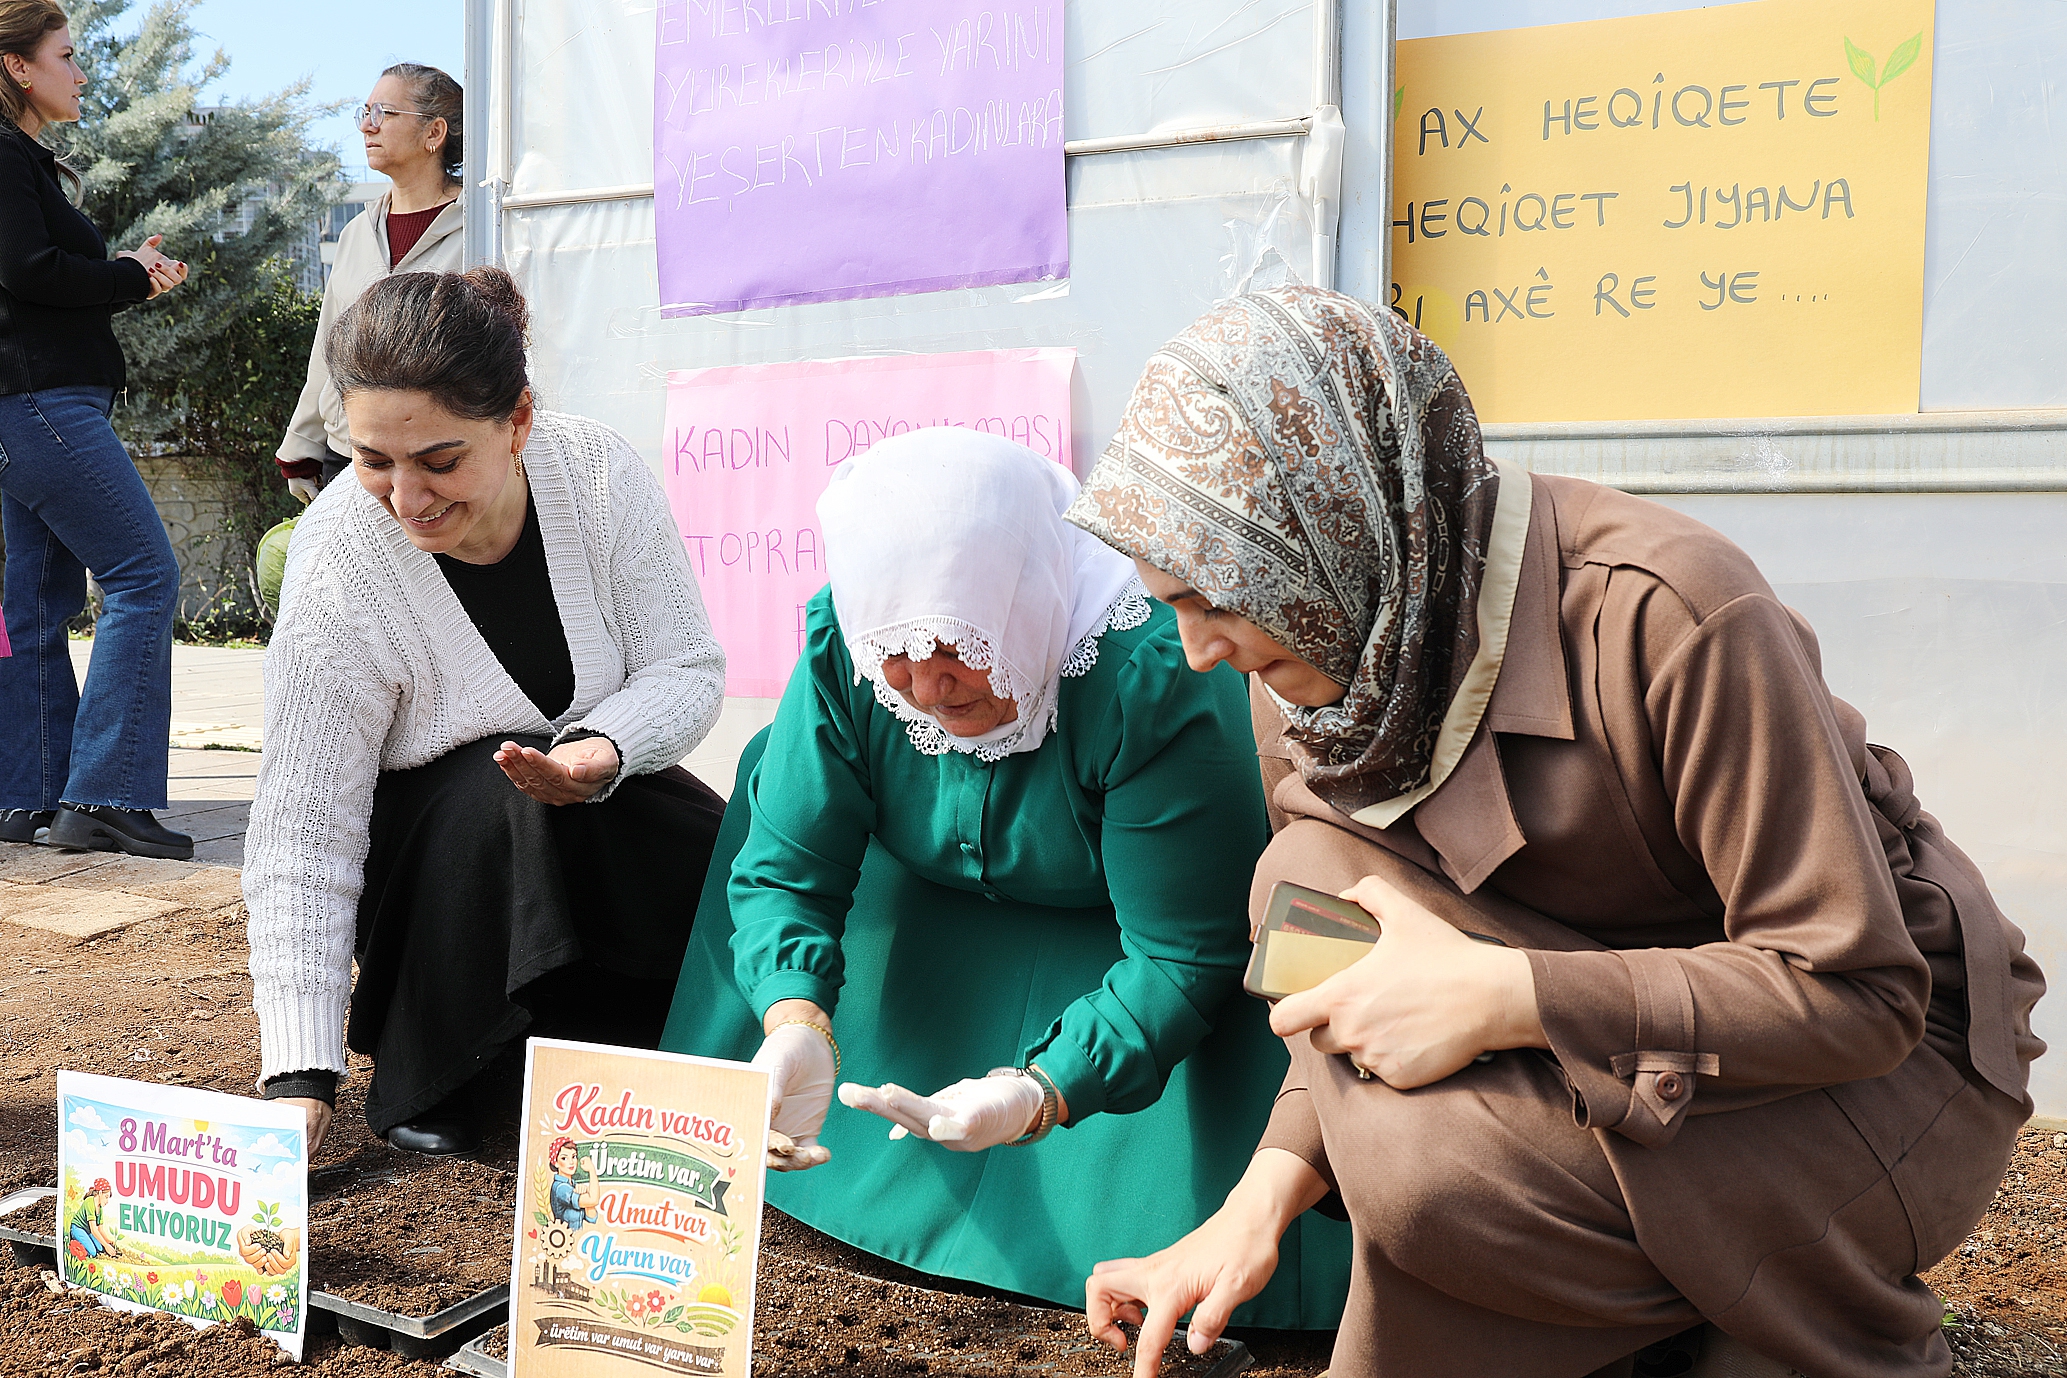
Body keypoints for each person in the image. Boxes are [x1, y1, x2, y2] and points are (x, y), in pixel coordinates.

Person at [1066, 287, 2047, 1378]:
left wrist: (1507, 995)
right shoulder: (1317, 669)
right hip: (1625, 1045)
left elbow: (1861, 995)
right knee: (1300, 885)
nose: (1197, 650)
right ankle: (1676, 1310)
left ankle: (1811, 1320)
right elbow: (1356, 989)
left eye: (1214, 598)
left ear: (1331, 529)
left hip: (1875, 1079)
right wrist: (1253, 1206)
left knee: (1426, 1169)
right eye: (1171, 604)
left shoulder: (1667, 611)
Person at [659, 430, 1349, 1327]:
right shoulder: (852, 640)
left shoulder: (1147, 672)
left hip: (1131, 929)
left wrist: (1040, 1092)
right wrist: (795, 1018)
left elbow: (1182, 953)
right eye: (897, 653)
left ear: (1027, 598)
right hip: (926, 900)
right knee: (767, 769)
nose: (926, 688)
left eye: (958, 643)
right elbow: (788, 860)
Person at [245, 268, 727, 1159]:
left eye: (440, 462)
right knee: (506, 798)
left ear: (518, 421)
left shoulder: (597, 474)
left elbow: (683, 666)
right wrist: (299, 1074)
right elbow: (304, 827)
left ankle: (676, 1040)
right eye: (373, 462)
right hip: (437, 878)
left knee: (737, 857)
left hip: (593, 800)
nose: (407, 499)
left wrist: (604, 748)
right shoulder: (338, 566)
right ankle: (463, 1067)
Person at [0, 0, 194, 858]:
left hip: (31, 402)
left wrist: (127, 275)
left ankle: (31, 797)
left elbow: (33, 281)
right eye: (67, 56)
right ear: (17, 66)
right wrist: (126, 274)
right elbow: (28, 271)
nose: (81, 74)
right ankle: (107, 796)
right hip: (40, 402)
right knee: (144, 574)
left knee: (36, 602)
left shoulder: (25, 161)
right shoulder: (5, 155)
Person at [275, 62, 463, 501]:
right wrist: (301, 447)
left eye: (383, 113)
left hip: (441, 459)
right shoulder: (357, 232)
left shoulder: (483, 228)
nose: (366, 126)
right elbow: (329, 345)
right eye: (364, 112)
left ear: (434, 132)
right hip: (350, 456)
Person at [68, 1178, 121, 1260]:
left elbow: (100, 1229)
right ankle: (75, 1243)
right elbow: (93, 1230)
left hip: (87, 1230)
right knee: (93, 1252)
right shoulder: (89, 1202)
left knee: (100, 1249)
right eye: (106, 1197)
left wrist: (107, 1241)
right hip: (78, 1228)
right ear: (100, 1193)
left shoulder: (100, 1208)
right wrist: (106, 1246)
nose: (107, 1201)